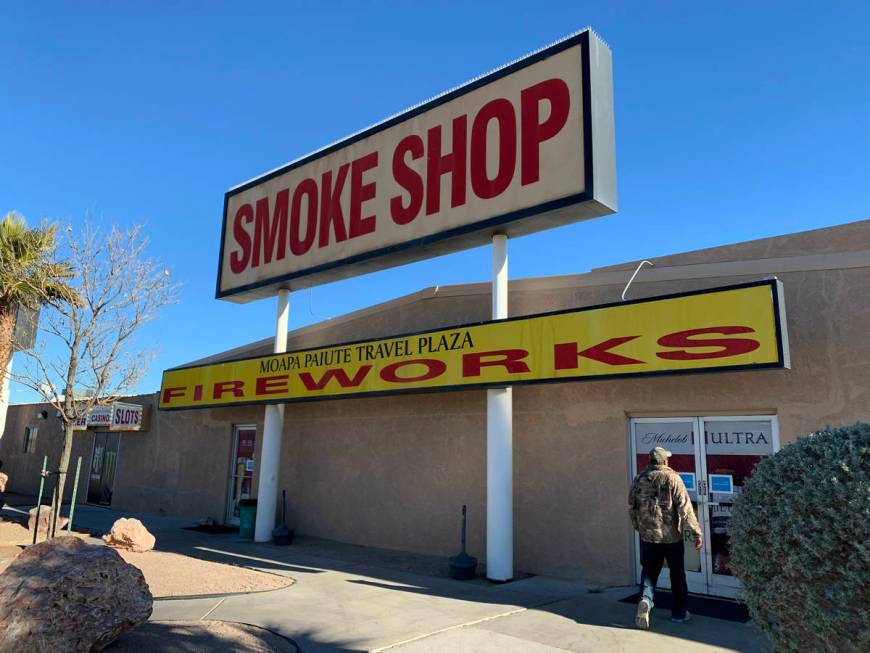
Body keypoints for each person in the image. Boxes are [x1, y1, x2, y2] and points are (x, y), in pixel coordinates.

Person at [628, 446, 702, 629]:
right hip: (671, 539)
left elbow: (632, 507)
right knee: (677, 575)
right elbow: (685, 509)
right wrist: (696, 532)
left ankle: (646, 599)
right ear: (664, 461)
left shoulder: (639, 479)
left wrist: (638, 527)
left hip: (649, 537)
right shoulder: (673, 478)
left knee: (649, 572)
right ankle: (679, 612)